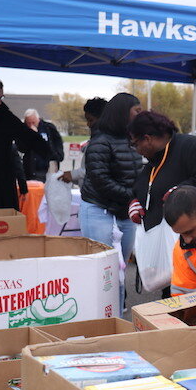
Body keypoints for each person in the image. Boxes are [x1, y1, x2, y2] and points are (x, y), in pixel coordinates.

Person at [80, 93, 143, 312]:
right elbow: (100, 181)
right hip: (98, 209)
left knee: (120, 267)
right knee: (104, 268)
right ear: (123, 112)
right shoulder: (99, 142)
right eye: (137, 110)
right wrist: (133, 196)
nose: (140, 114)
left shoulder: (133, 139)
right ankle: (101, 314)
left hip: (124, 212)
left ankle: (116, 310)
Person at [128, 110, 196, 231]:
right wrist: (135, 201)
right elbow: (143, 187)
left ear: (147, 139)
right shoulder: (155, 158)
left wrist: (183, 190)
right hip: (158, 235)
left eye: (135, 144)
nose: (137, 151)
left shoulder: (192, 146)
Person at [0, 76, 51, 209]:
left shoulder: (4, 116)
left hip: (2, 186)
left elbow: (27, 136)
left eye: (1, 97)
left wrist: (50, 154)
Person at [59, 97, 107, 185]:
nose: (88, 124)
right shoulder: (97, 139)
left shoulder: (105, 142)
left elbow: (98, 172)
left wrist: (73, 175)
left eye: (91, 120)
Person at [20, 109, 64, 182]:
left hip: (48, 167)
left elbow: (57, 144)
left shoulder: (49, 128)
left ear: (38, 119)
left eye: (33, 122)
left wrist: (57, 156)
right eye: (28, 123)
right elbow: (21, 148)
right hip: (31, 169)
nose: (31, 125)